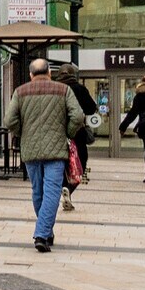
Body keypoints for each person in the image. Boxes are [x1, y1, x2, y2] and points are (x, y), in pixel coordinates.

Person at [2, 59, 83, 253]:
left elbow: (9, 120)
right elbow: (78, 116)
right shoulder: (63, 90)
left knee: (38, 191)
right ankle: (42, 233)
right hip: (56, 150)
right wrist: (68, 133)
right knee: (52, 192)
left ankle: (46, 231)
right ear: (49, 72)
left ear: (31, 74)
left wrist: (23, 133)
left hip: (30, 150)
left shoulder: (20, 92)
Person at [51, 65, 99, 210]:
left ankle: (63, 187)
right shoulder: (79, 89)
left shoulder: (54, 89)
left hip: (56, 131)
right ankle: (69, 188)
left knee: (59, 163)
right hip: (76, 132)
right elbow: (91, 108)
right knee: (81, 162)